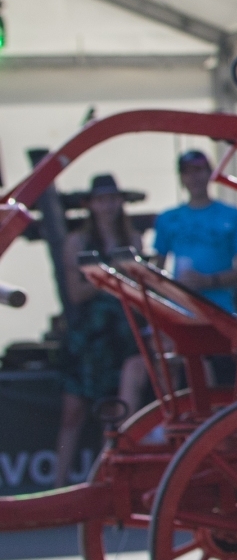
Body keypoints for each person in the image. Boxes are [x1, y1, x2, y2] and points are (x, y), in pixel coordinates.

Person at [53, 174, 148, 485]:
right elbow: (76, 294)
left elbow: (138, 291)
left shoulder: (133, 240)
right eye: (101, 200)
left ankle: (104, 483)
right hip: (88, 336)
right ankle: (57, 485)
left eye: (112, 199)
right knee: (73, 412)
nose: (107, 206)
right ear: (91, 205)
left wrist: (120, 278)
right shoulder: (77, 242)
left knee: (112, 411)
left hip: (120, 333)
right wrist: (108, 277)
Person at [154, 150, 237, 312]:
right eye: (187, 172)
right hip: (180, 309)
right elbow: (157, 271)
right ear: (181, 178)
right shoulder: (167, 218)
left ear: (210, 173)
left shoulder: (231, 215)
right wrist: (173, 287)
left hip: (220, 310)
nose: (193, 178)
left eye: (198, 170)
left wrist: (208, 281)